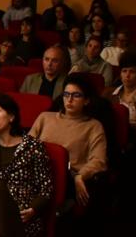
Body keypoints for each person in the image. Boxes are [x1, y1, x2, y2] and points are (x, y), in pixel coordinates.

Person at [0, 93, 54, 237]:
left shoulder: (33, 146)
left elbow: (46, 189)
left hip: (23, 220)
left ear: (11, 116)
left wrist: (33, 209)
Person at [29, 74, 107, 207]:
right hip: (35, 172)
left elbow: (99, 160)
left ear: (86, 100)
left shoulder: (93, 126)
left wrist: (80, 176)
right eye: (66, 94)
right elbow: (26, 146)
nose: (69, 100)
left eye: (76, 95)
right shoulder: (45, 117)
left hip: (67, 177)